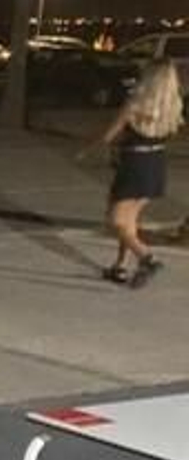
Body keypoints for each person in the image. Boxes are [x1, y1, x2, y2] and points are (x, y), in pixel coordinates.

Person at [78, 58, 182, 288]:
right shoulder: (172, 107)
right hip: (155, 165)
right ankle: (121, 266)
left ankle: (147, 257)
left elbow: (108, 136)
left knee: (116, 220)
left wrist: (86, 150)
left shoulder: (135, 105)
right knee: (130, 220)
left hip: (134, 164)